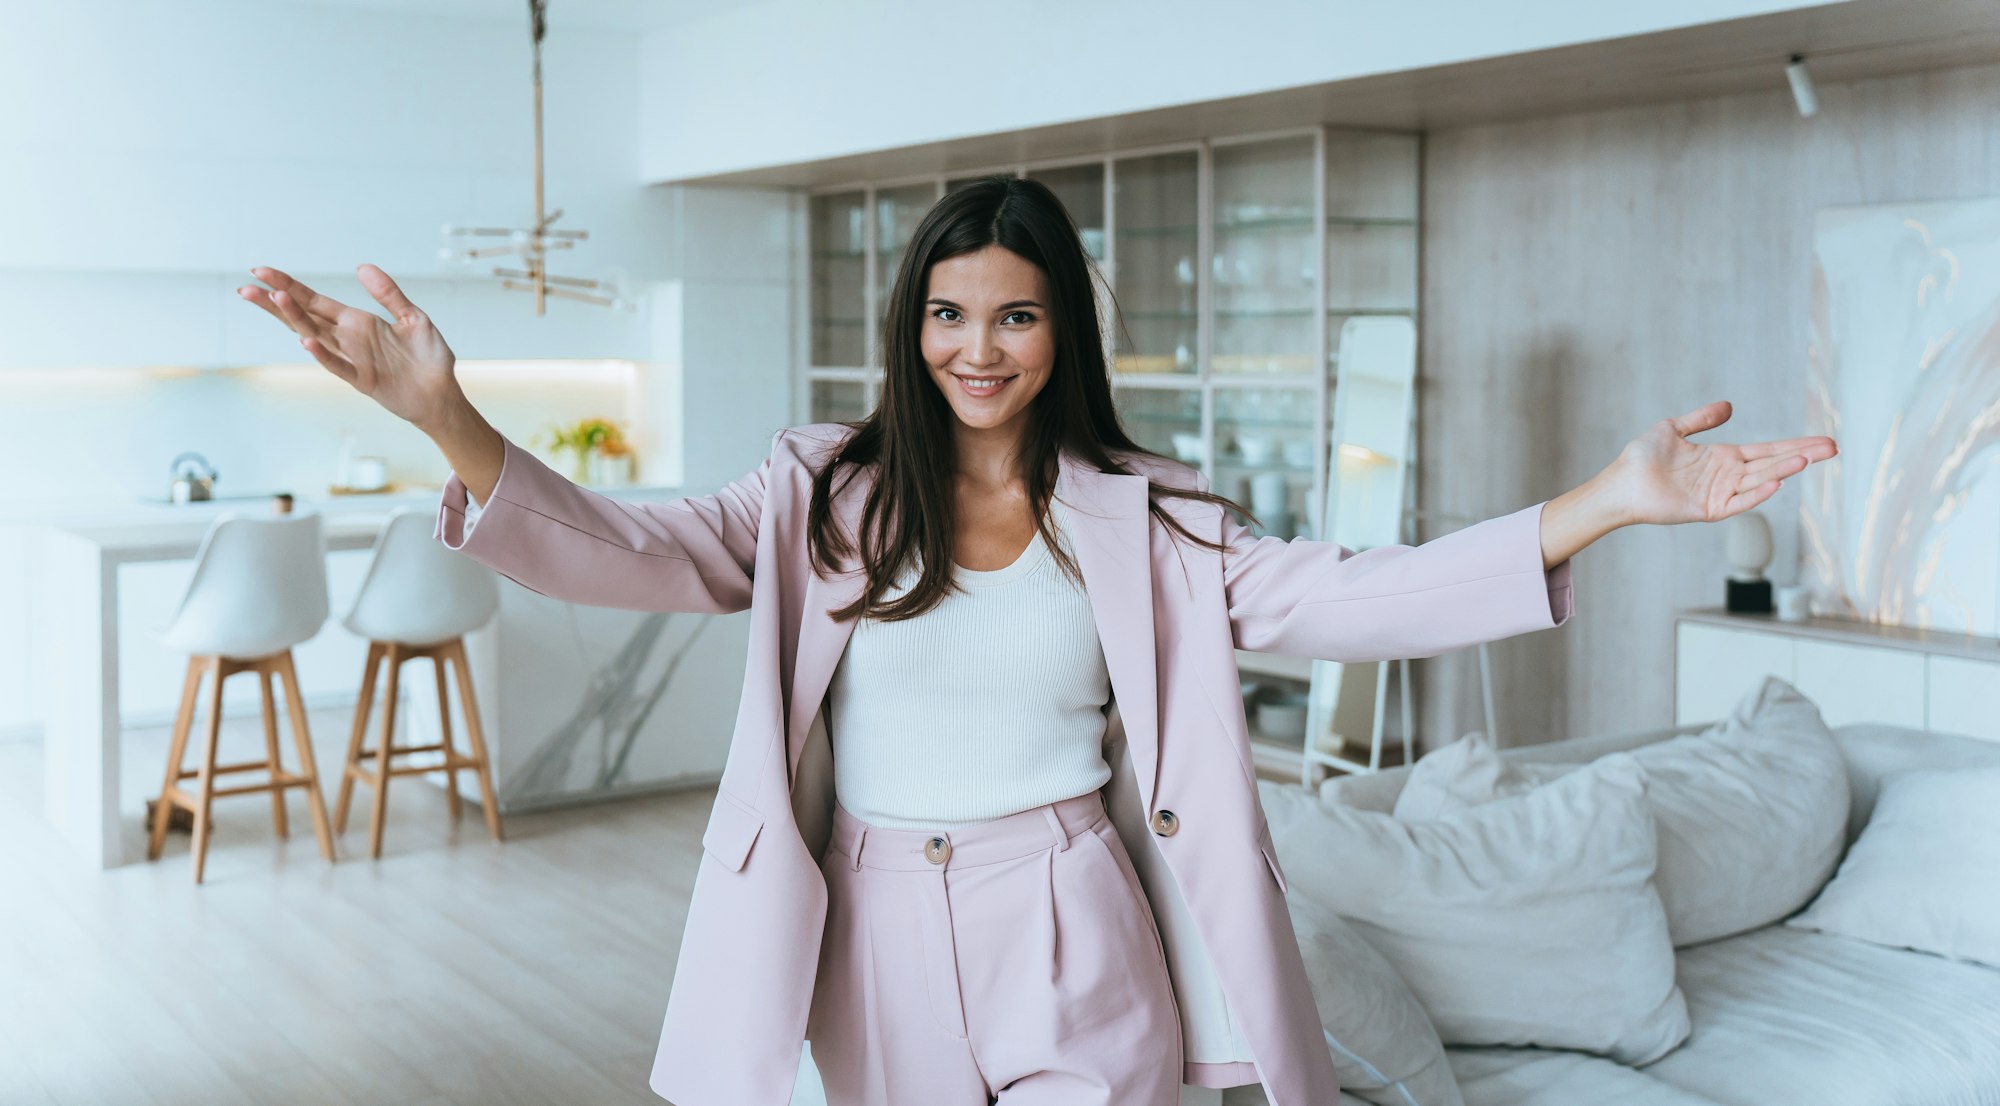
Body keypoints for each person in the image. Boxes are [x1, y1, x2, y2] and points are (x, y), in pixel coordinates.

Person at [238, 175, 1836, 1106]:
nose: (975, 345)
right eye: (946, 313)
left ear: (1060, 324)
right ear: (909, 328)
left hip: (1070, 910)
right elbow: (627, 553)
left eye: (1012, 312)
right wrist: (452, 420)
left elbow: (1359, 591)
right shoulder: (822, 494)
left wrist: (1601, 504)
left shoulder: (1150, 515)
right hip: (870, 927)